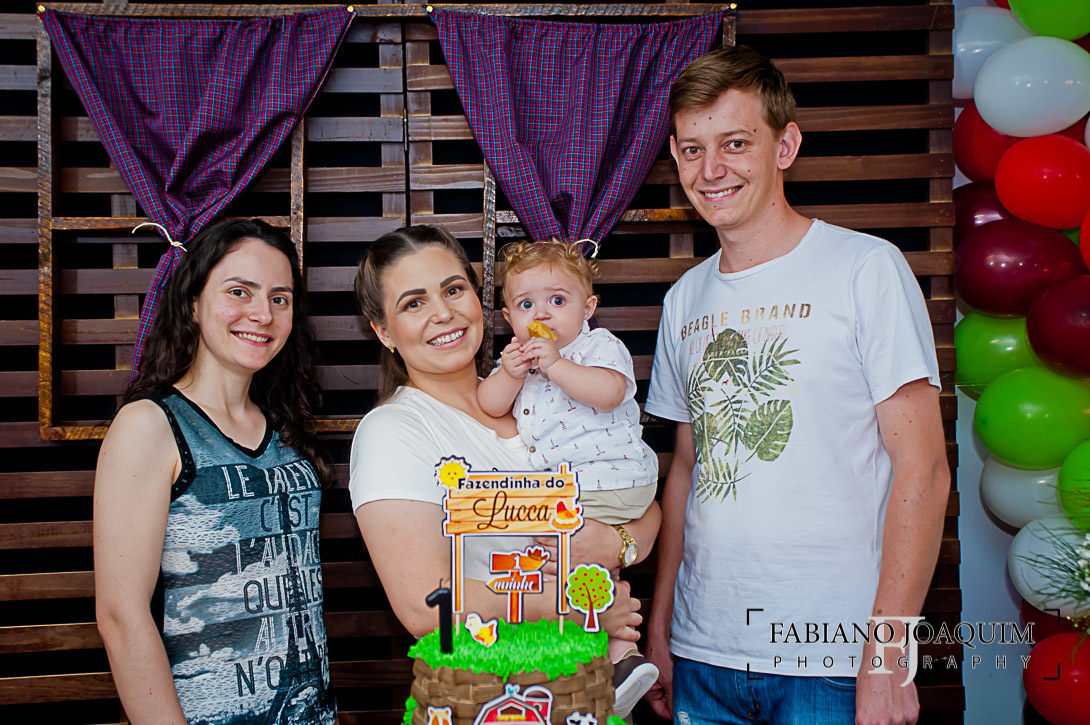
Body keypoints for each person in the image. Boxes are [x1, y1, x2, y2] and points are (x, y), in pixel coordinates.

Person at [642, 46, 949, 725]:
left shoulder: (866, 269)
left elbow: (923, 470)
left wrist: (888, 652)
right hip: (703, 655)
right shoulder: (684, 298)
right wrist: (660, 630)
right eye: (692, 150)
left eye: (735, 143)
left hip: (831, 659)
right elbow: (687, 471)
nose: (711, 169)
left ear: (785, 146)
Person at [348, 226, 661, 717]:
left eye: (454, 290)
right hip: (496, 702)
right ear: (384, 332)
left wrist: (616, 544)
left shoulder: (537, 397)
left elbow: (643, 505)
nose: (443, 313)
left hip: (582, 696)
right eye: (414, 303)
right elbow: (424, 605)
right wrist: (580, 609)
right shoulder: (394, 431)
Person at [94, 219, 337, 724]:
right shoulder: (150, 424)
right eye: (238, 292)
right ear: (193, 303)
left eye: (279, 298)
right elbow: (121, 616)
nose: (263, 314)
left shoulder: (285, 428)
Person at [476, 239, 661, 711]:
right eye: (526, 304)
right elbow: (490, 404)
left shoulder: (597, 346)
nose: (543, 313)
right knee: (575, 560)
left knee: (573, 556)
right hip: (573, 490)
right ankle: (618, 659)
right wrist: (510, 375)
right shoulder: (520, 359)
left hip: (610, 478)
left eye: (558, 300)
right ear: (508, 316)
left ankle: (617, 654)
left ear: (588, 308)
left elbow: (610, 392)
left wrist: (557, 364)